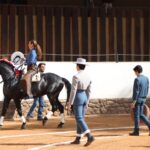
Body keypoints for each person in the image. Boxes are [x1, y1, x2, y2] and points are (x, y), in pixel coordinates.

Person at [67, 58, 94, 146]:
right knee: (81, 118)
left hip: (78, 97)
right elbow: (89, 91)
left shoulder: (76, 76)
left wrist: (70, 103)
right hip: (84, 97)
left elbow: (73, 91)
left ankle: (89, 135)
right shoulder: (88, 76)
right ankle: (78, 138)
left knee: (78, 118)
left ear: (78, 66)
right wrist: (87, 101)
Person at [129, 65, 150, 136]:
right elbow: (147, 88)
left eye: (135, 72)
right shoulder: (146, 78)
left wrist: (134, 101)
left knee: (137, 116)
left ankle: (136, 131)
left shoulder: (137, 79)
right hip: (143, 98)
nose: (135, 73)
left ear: (137, 71)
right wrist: (144, 97)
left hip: (138, 99)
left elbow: (136, 91)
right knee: (141, 115)